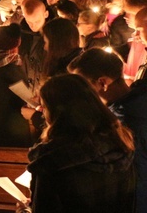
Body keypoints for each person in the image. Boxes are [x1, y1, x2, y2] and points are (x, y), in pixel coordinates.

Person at [25, 74, 135, 213]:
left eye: (44, 107)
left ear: (56, 113)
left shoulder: (51, 161)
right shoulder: (120, 145)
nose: (43, 114)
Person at [68, 48, 147, 212]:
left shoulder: (123, 123)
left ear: (102, 83)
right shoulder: (138, 104)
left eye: (83, 86)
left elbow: (135, 181)